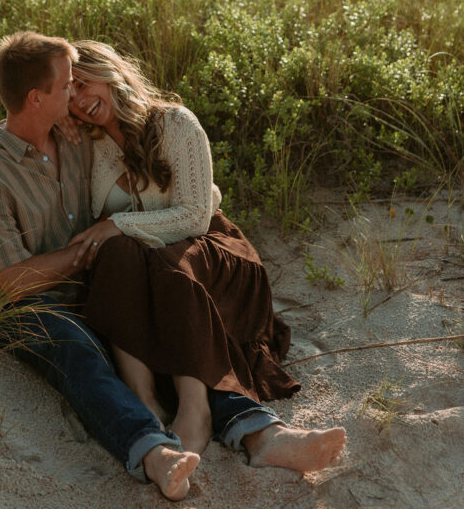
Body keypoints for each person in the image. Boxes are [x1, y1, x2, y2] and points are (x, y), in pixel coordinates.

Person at [66, 39, 347, 472]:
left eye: (84, 84)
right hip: (150, 268)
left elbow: (196, 217)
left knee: (165, 263)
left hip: (210, 249)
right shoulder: (91, 144)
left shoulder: (175, 123)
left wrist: (117, 224)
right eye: (70, 93)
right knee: (116, 256)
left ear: (109, 72)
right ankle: (154, 404)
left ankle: (195, 409)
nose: (80, 100)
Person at [0, 31, 199, 501]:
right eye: (67, 85)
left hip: (87, 285)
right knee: (79, 350)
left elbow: (154, 185)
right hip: (22, 305)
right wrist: (82, 251)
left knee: (166, 313)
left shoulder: (77, 140)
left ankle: (244, 422)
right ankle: (152, 452)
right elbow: (11, 281)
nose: (76, 92)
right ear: (36, 97)